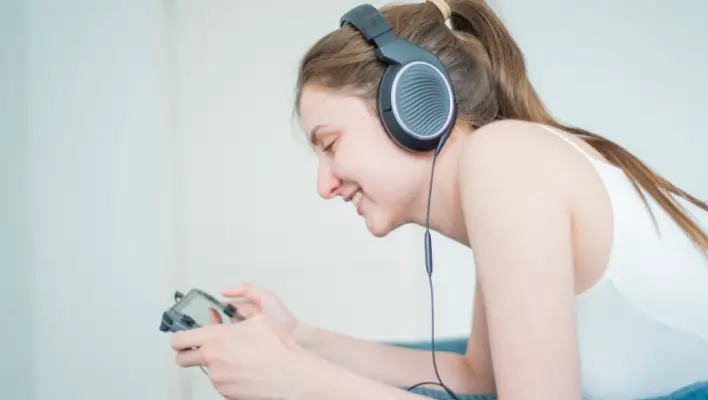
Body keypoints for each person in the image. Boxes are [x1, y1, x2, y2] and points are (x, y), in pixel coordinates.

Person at [169, 0, 708, 399]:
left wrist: (294, 381)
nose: (324, 185)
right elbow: (477, 380)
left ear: (414, 106)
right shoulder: (506, 168)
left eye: (331, 146)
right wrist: (301, 341)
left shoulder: (505, 159)